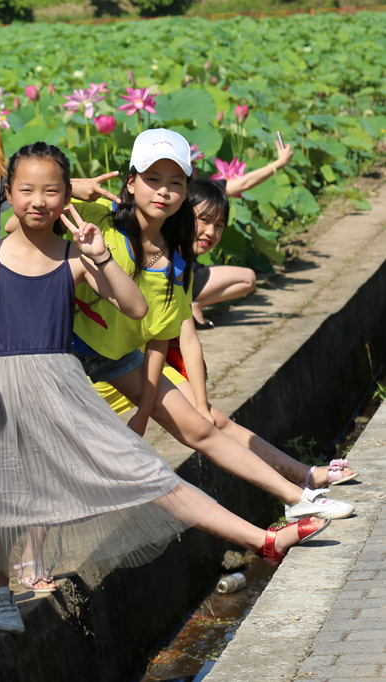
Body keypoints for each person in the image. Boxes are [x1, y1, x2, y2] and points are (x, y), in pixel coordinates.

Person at [0, 142, 328, 643]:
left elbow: (136, 307)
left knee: (147, 473)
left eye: (51, 191)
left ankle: (261, 539)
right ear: (8, 193)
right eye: (26, 190)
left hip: (60, 389)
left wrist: (101, 256)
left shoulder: (74, 256)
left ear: (65, 197)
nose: (38, 201)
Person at [58, 129, 354, 523]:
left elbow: (164, 340)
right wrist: (69, 188)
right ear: (130, 182)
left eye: (175, 183)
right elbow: (21, 218)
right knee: (48, 461)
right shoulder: (96, 216)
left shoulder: (174, 264)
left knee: (204, 427)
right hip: (58, 350)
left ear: (185, 192)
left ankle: (297, 494)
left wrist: (150, 411)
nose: (163, 191)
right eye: (152, 179)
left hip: (118, 360)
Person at [94, 178, 359, 488]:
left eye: (219, 226)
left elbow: (188, 338)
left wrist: (202, 404)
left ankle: (302, 477)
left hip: (140, 361)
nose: (211, 232)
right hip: (105, 364)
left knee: (211, 419)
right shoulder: (131, 239)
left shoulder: (179, 265)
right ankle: (299, 483)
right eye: (204, 220)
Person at [190, 138, 295, 327]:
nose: (195, 167)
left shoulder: (203, 195)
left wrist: (278, 164)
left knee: (249, 279)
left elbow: (244, 183)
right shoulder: (169, 202)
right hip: (172, 274)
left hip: (189, 272)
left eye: (195, 163)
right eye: (190, 163)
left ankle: (194, 303)